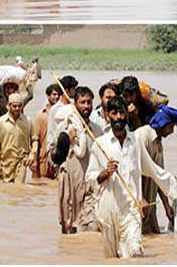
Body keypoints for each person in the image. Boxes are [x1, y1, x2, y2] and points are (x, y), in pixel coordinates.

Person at [85, 97, 177, 259]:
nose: (119, 117)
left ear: (126, 114)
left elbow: (154, 170)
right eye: (114, 113)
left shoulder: (135, 141)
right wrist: (105, 173)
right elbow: (90, 178)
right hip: (108, 210)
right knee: (112, 257)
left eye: (121, 112)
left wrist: (174, 190)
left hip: (132, 210)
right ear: (107, 116)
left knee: (135, 252)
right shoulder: (100, 144)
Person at [57, 86, 103, 234]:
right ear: (75, 104)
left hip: (90, 188)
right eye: (82, 102)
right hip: (71, 185)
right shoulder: (65, 127)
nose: (86, 106)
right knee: (69, 229)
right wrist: (66, 140)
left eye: (89, 102)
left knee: (92, 227)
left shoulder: (97, 130)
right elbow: (54, 156)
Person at [137, 106, 177, 234]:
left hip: (151, 205)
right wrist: (140, 198)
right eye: (171, 126)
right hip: (139, 204)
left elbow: (160, 177)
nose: (172, 131)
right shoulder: (142, 136)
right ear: (164, 123)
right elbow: (133, 171)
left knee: (152, 240)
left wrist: (166, 206)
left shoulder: (158, 143)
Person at [0, 93, 38, 182]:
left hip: (22, 161)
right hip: (5, 162)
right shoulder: (1, 122)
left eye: (19, 106)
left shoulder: (27, 121)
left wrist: (32, 154)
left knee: (19, 189)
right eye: (14, 106)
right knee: (5, 191)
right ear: (9, 106)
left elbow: (35, 139)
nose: (17, 108)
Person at [32, 84, 62, 178]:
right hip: (43, 159)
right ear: (48, 96)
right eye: (54, 94)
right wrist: (34, 160)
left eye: (58, 94)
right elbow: (35, 139)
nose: (56, 97)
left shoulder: (63, 114)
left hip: (58, 158)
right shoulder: (41, 116)